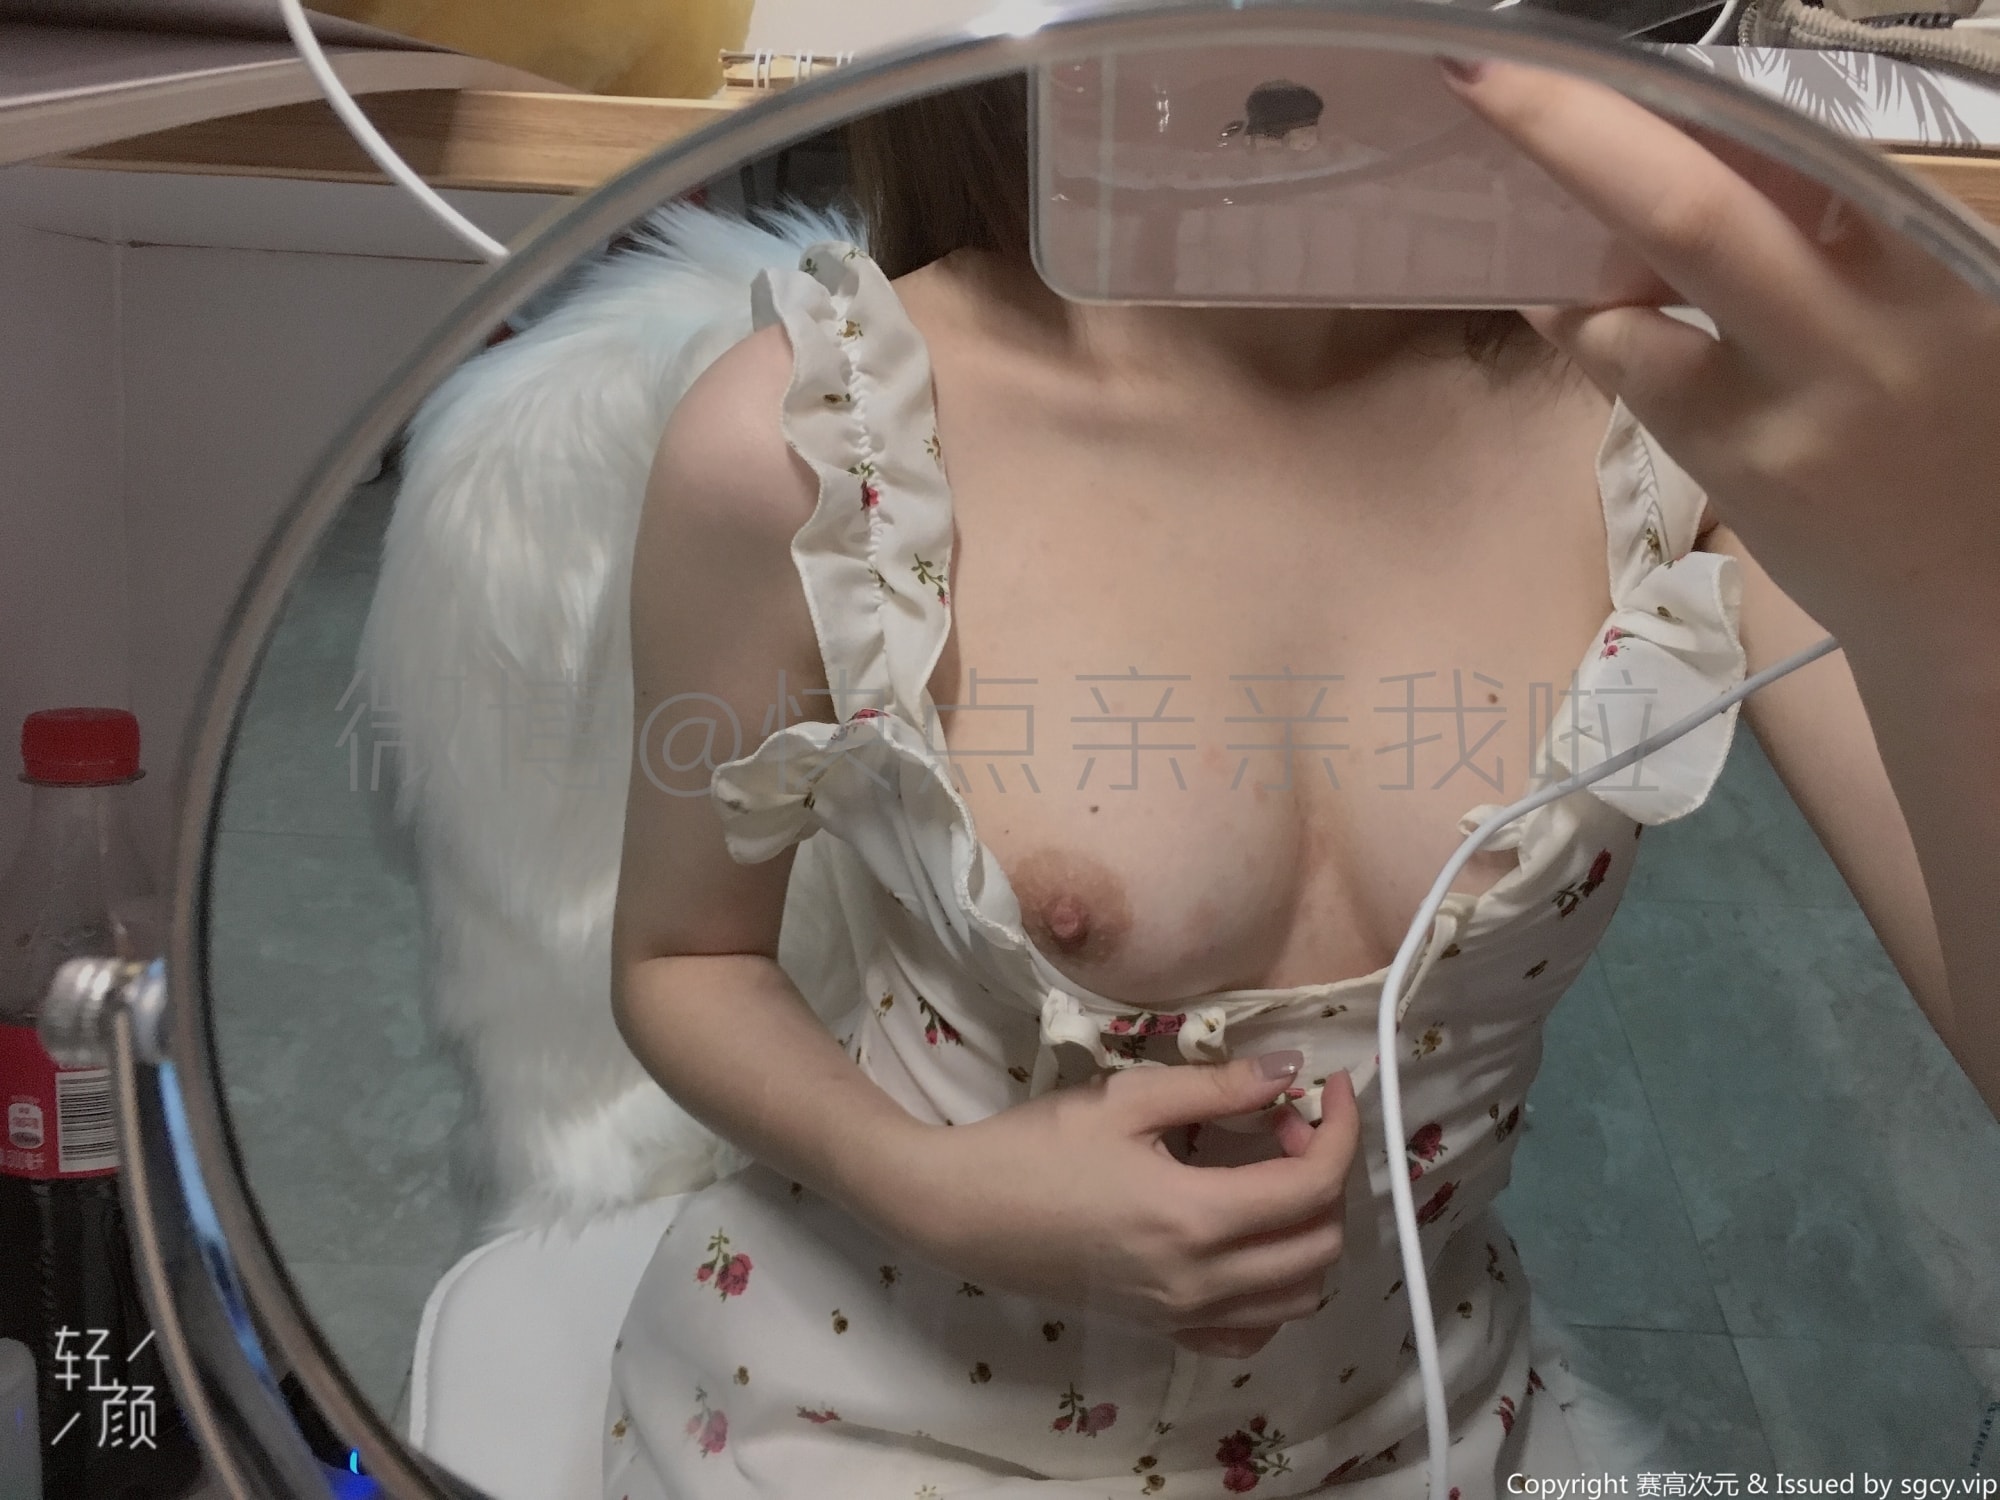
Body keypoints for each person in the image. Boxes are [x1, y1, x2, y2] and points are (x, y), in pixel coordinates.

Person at [600, 60, 2000, 1499]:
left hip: (1420, 1417)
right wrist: (937, 1193)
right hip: (870, 1410)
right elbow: (682, 958)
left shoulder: (1677, 417)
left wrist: (1959, 576)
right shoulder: (820, 434)